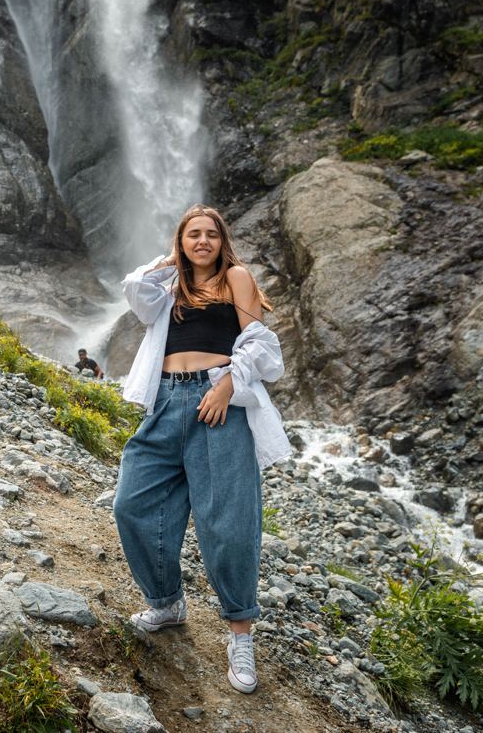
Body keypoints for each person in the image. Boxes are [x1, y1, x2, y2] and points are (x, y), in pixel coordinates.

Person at [113, 204, 290, 695]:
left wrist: (229, 383)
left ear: (223, 240)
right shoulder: (169, 287)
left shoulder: (237, 277)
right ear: (180, 240)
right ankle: (166, 603)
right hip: (165, 401)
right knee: (132, 504)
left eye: (212, 234)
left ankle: (240, 635)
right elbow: (133, 288)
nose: (204, 241)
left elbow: (263, 345)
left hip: (218, 402)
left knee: (229, 522)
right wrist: (172, 261)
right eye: (193, 234)